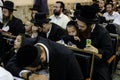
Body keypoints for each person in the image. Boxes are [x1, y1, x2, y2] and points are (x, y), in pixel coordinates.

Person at [6, 36, 84, 80]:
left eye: (34, 70)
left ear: (42, 59)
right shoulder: (28, 47)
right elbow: (10, 64)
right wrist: (29, 75)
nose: (34, 72)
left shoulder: (65, 56)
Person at [74, 5, 113, 80]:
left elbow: (109, 52)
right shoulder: (79, 28)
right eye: (78, 25)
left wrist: (97, 51)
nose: (79, 28)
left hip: (97, 62)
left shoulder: (103, 33)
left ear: (90, 25)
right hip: (81, 59)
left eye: (82, 26)